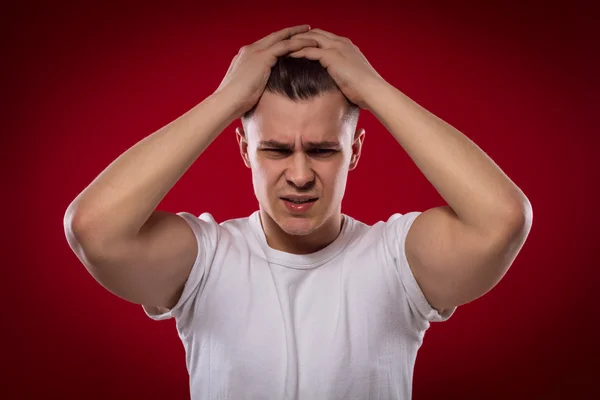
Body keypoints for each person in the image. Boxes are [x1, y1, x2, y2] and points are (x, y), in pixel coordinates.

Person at [64, 25, 533, 399]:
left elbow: (502, 220)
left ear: (355, 151)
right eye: (276, 150)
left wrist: (372, 89)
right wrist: (226, 100)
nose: (301, 174)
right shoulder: (204, 261)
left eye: (323, 149)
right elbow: (93, 229)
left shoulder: (396, 260)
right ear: (245, 148)